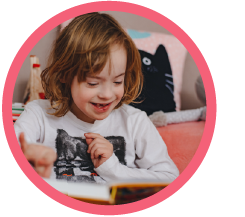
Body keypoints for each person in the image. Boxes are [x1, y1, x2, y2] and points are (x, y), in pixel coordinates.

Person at [14, 12, 179, 184]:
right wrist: (29, 162)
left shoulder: (135, 122)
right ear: (64, 74)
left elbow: (170, 179)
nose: (107, 94)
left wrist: (113, 169)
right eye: (93, 83)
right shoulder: (38, 114)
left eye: (117, 81)